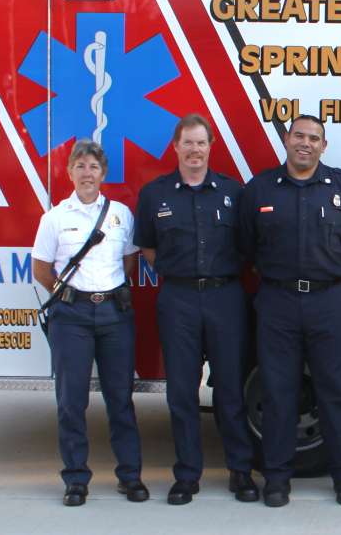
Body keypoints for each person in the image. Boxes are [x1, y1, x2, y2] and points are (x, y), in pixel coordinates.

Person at [237, 115, 341, 508]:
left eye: (314, 138)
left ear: (323, 146)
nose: (306, 143)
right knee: (279, 392)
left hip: (329, 302)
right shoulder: (260, 189)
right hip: (277, 302)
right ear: (286, 139)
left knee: (337, 391)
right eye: (299, 136)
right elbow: (245, 244)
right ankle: (277, 479)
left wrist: (327, 275)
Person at [134, 115, 258, 505]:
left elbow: (249, 245)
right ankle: (187, 475)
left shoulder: (233, 192)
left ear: (210, 147)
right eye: (187, 143)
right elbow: (148, 248)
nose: (194, 150)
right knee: (182, 392)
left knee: (230, 389)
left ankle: (240, 471)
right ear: (175, 147)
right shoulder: (155, 194)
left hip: (225, 297)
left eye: (201, 143)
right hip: (179, 300)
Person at [31, 139, 144, 507]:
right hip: (71, 317)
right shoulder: (55, 219)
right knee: (71, 401)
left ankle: (130, 476)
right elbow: (41, 269)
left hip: (114, 314)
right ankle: (76, 479)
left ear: (103, 173)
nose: (87, 173)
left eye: (93, 167)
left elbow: (129, 261)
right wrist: (70, 296)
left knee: (120, 400)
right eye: (80, 166)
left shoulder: (121, 215)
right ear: (70, 172)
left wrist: (104, 293)